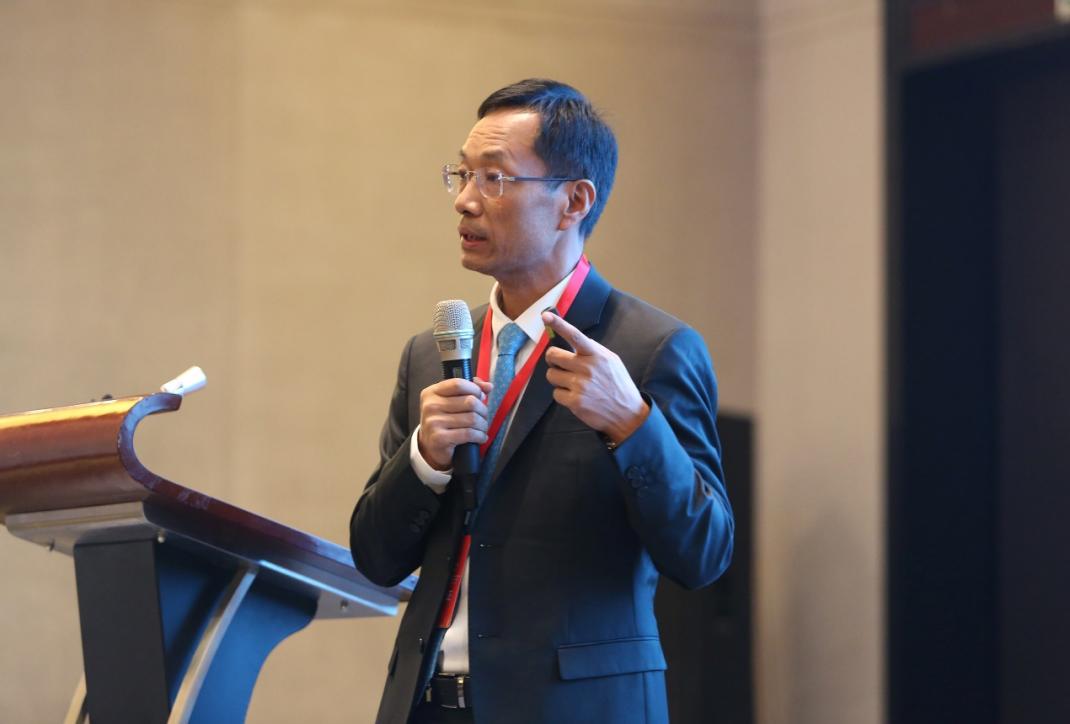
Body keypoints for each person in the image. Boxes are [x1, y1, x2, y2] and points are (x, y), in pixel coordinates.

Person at [350, 79, 733, 724]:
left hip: (575, 707)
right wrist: (423, 459)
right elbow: (376, 558)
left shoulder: (650, 350)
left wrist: (632, 424)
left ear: (573, 201)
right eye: (462, 175)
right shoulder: (430, 355)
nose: (465, 200)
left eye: (494, 178)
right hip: (428, 706)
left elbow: (704, 553)